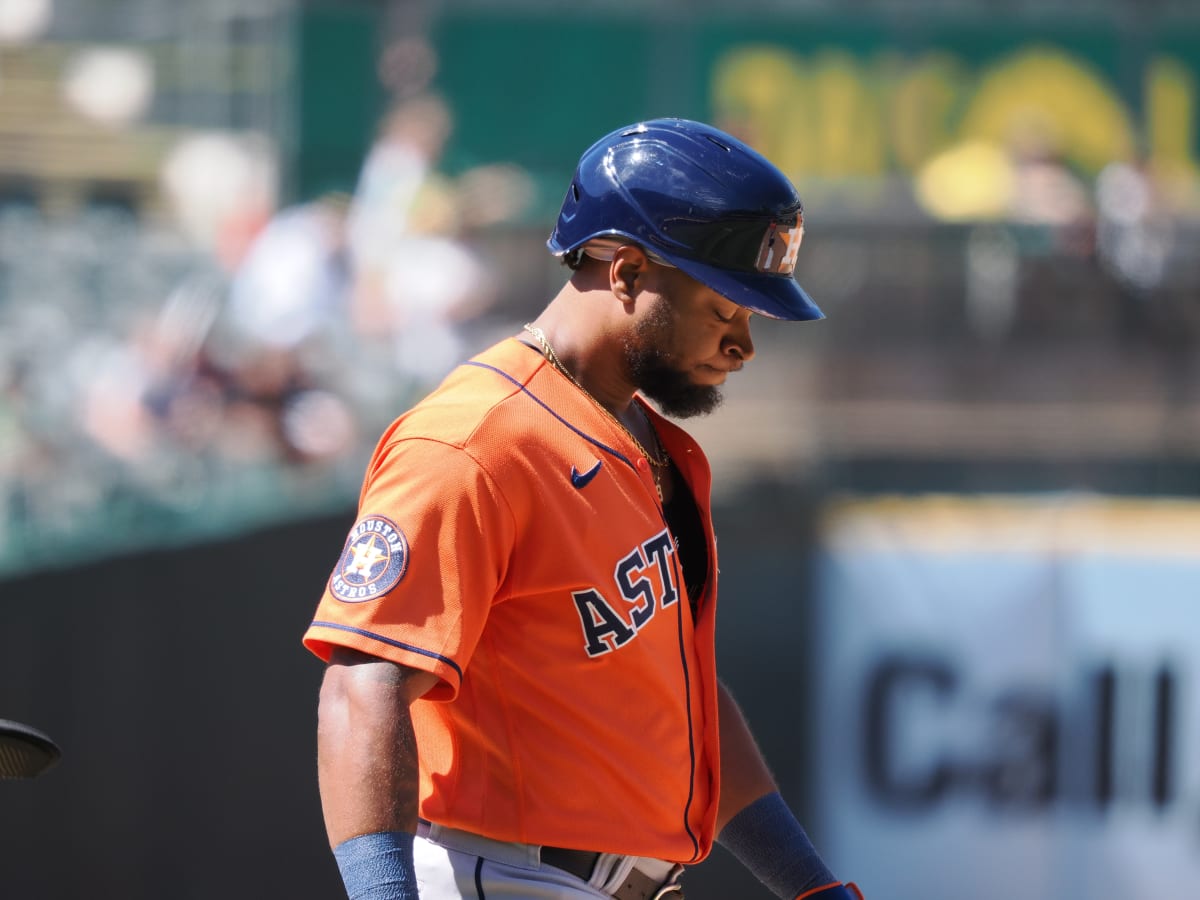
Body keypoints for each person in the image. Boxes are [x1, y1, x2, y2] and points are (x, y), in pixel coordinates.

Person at [304, 118, 863, 900]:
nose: (744, 345)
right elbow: (364, 687)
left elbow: (688, 708)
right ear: (628, 271)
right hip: (501, 877)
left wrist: (811, 887)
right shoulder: (474, 440)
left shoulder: (640, 437)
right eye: (724, 308)